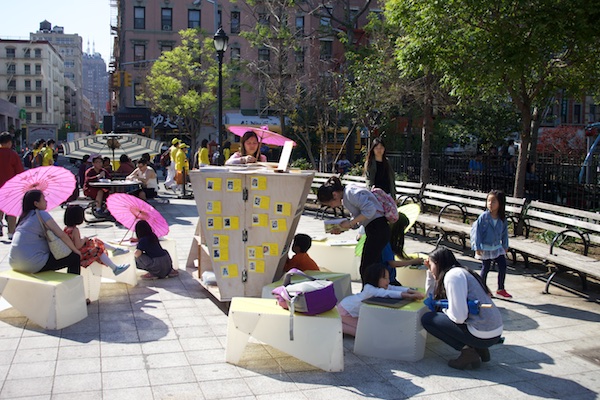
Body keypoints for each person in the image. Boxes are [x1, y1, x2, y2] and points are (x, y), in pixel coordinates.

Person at [421, 247, 503, 370]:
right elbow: (431, 298)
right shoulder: (462, 272)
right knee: (438, 309)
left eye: (430, 265)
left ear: (438, 263)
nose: (429, 268)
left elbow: (459, 317)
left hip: (482, 333)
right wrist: (430, 273)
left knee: (428, 319)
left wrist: (443, 309)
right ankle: (479, 348)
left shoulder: (453, 277)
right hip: (494, 331)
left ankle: (468, 352)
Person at [317, 176, 389, 285]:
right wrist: (343, 227)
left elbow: (370, 211)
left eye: (329, 204)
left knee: (367, 268)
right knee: (372, 266)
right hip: (374, 229)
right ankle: (374, 291)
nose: (331, 206)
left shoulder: (350, 193)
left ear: (334, 195)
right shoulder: (347, 196)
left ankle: (369, 292)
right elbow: (360, 219)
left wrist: (350, 223)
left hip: (378, 228)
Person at [337, 262, 424, 336]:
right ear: (375, 278)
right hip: (345, 310)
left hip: (351, 311)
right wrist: (410, 296)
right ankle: (335, 325)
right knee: (362, 334)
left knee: (366, 330)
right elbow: (388, 294)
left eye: (388, 278)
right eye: (384, 278)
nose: (388, 281)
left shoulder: (381, 287)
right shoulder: (370, 289)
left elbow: (393, 288)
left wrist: (411, 291)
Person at [8, 190, 81, 275]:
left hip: (13, 262)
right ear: (36, 203)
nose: (46, 201)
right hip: (31, 264)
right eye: (43, 199)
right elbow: (61, 235)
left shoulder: (23, 217)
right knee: (75, 258)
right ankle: (73, 287)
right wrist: (76, 250)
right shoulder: (41, 214)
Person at [63, 205, 130, 275]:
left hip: (74, 251)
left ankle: (115, 250)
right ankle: (115, 268)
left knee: (95, 240)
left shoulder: (66, 229)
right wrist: (84, 240)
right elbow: (78, 246)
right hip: (79, 253)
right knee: (97, 250)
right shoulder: (75, 230)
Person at [472, 190, 512, 299]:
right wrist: (477, 247)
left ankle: (501, 288)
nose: (490, 203)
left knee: (503, 266)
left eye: (493, 201)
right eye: (488, 201)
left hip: (497, 247)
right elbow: (477, 233)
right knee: (486, 268)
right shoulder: (484, 217)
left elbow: (504, 234)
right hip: (485, 247)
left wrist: (505, 245)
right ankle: (482, 289)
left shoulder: (502, 219)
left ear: (500, 203)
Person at [0, 132, 25, 240]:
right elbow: (19, 172)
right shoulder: (13, 154)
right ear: (9, 142)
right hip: (10, 187)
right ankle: (10, 233)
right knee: (11, 210)